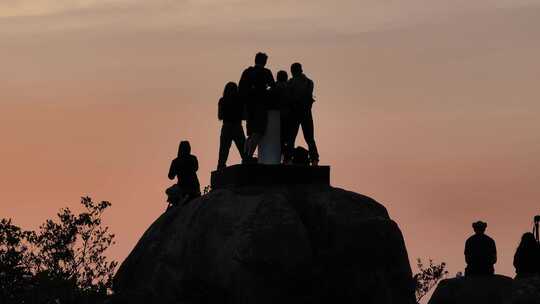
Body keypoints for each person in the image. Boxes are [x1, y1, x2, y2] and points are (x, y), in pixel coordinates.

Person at [239, 52, 275, 161]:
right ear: (264, 62)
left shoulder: (247, 72)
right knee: (258, 132)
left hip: (249, 106)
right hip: (261, 106)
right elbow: (273, 87)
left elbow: (241, 88)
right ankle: (249, 156)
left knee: (250, 133)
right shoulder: (266, 72)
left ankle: (245, 155)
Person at [287, 62, 319, 166]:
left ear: (292, 71)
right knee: (310, 138)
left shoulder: (290, 83)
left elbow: (289, 98)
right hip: (306, 113)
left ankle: (288, 159)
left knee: (291, 138)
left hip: (294, 114)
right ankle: (314, 159)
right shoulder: (309, 82)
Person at [217, 82, 246, 169]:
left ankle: (221, 169)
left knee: (223, 151)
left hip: (226, 126)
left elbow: (220, 116)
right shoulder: (240, 100)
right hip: (237, 126)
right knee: (243, 150)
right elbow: (244, 116)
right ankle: (247, 166)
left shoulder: (222, 100)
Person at [166, 141, 201, 207]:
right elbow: (196, 168)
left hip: (183, 188)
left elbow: (170, 176)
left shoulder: (176, 161)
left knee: (169, 191)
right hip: (195, 187)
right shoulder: (193, 158)